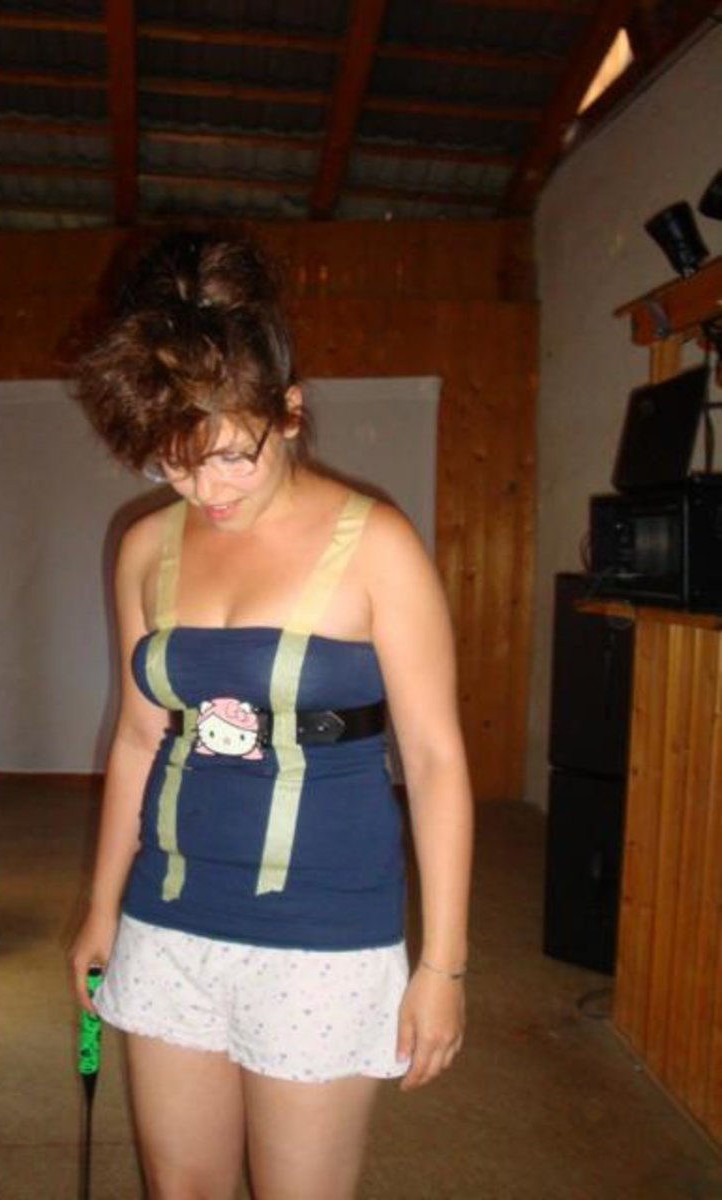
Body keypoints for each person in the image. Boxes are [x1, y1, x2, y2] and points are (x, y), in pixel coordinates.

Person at [70, 230, 473, 1200]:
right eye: (174, 467)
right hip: (168, 916)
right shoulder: (144, 548)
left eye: (230, 458)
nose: (206, 490)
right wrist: (100, 909)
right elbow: (139, 736)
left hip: (324, 925)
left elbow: (433, 759)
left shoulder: (378, 545)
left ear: (290, 411)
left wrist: (444, 966)